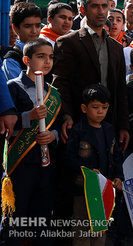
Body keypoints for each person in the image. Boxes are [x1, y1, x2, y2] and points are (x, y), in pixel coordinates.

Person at [52, 0, 129, 149]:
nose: (101, 11)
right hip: (79, 124)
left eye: (104, 6)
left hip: (109, 125)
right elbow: (60, 84)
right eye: (95, 6)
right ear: (83, 9)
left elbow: (121, 89)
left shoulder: (116, 47)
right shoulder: (68, 42)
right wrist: (67, 115)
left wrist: (123, 125)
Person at [3, 39, 61, 244]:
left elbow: (59, 124)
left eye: (51, 57)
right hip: (20, 163)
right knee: (16, 214)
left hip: (45, 164)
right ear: (27, 59)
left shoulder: (53, 93)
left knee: (42, 214)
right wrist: (30, 116)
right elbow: (7, 122)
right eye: (41, 56)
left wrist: (53, 134)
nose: (47, 61)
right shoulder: (12, 88)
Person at [65, 84, 123, 246]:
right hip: (83, 191)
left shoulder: (109, 129)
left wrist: (118, 177)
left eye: (104, 108)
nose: (100, 111)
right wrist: (87, 172)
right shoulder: (78, 131)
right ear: (84, 108)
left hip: (104, 191)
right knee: (82, 231)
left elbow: (116, 157)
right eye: (95, 107)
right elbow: (69, 158)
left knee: (99, 230)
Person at [2, 2, 42, 81]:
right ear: (15, 28)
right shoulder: (12, 60)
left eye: (37, 26)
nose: (34, 31)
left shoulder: (46, 51)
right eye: (28, 26)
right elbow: (22, 91)